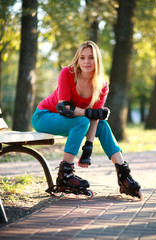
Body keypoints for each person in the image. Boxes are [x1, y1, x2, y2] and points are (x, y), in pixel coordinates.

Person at [31, 40, 141, 199]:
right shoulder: (67, 73)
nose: (86, 62)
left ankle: (123, 174)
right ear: (77, 59)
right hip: (44, 116)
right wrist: (91, 113)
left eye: (91, 57)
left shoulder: (102, 86)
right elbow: (64, 109)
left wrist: (88, 149)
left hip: (72, 120)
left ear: (97, 60)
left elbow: (95, 119)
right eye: (82, 58)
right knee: (82, 121)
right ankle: (65, 174)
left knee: (102, 124)